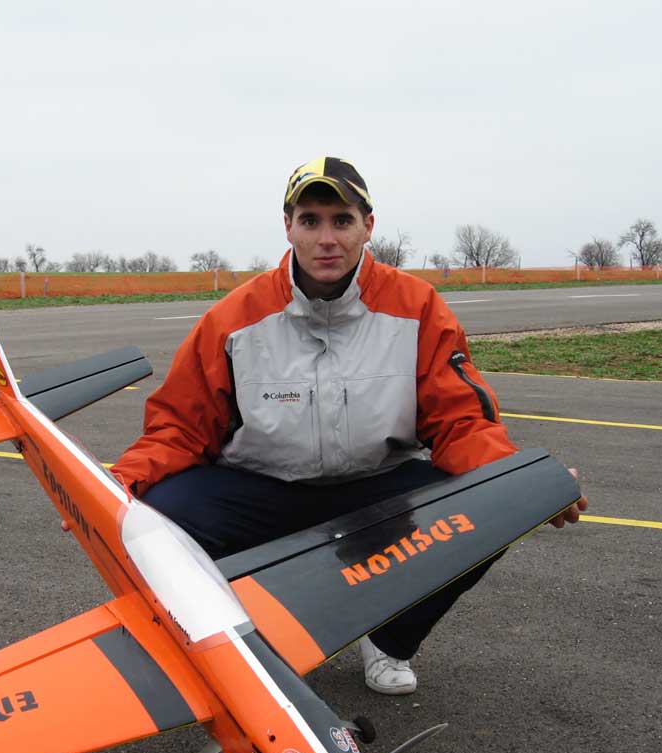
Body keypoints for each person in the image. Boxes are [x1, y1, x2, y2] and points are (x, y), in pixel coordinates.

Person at [110, 156, 587, 694]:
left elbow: (462, 423)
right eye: (310, 221)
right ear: (288, 227)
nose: (326, 239)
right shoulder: (232, 320)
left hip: (375, 491)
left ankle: (390, 638)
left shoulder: (417, 307)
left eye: (342, 220)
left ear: (368, 226)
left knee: (491, 509)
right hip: (262, 489)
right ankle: (234, 639)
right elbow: (179, 427)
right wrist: (119, 486)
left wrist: (527, 487)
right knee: (156, 519)